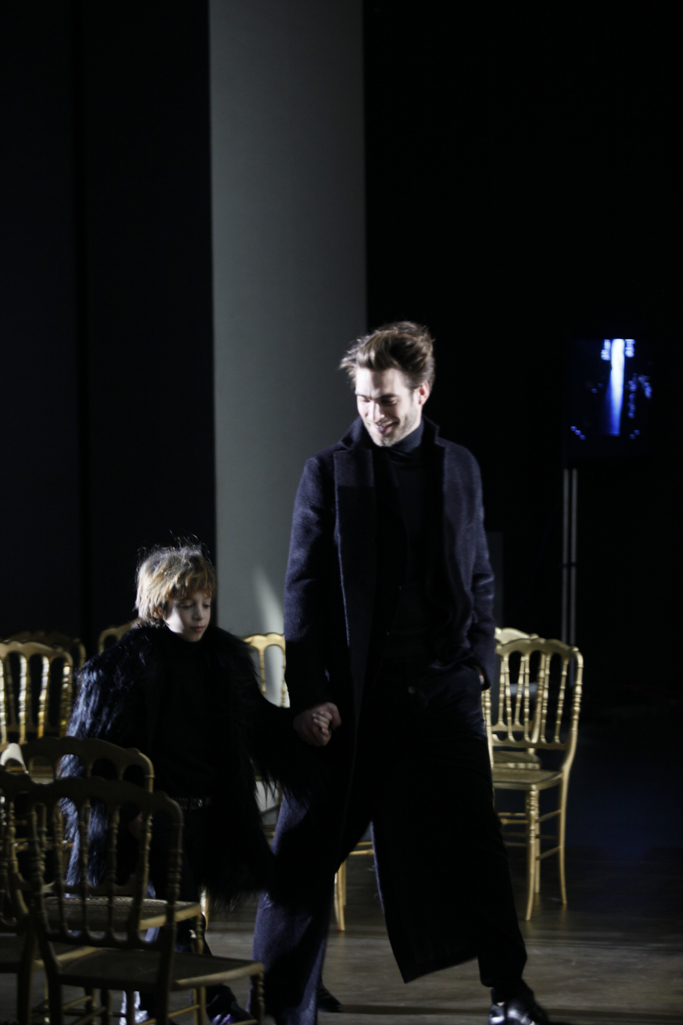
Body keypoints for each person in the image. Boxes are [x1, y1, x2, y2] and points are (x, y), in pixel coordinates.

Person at [251, 323, 551, 1025]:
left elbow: (479, 573)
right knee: (307, 843)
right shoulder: (329, 472)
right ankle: (282, 992)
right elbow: (303, 592)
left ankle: (509, 992)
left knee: (477, 842)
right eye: (362, 399)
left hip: (445, 689)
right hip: (357, 697)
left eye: (385, 399)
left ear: (421, 391)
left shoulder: (460, 466)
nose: (373, 413)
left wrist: (477, 665)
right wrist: (311, 695)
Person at [64, 542, 308, 1025]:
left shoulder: (223, 659)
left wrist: (303, 723)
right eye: (187, 605)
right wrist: (128, 812)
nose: (200, 615)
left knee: (176, 914)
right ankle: (217, 1005)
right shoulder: (123, 668)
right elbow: (92, 757)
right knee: (183, 913)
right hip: (154, 818)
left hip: (208, 811)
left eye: (206, 604)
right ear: (159, 606)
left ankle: (143, 1003)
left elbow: (258, 723)